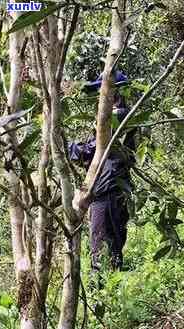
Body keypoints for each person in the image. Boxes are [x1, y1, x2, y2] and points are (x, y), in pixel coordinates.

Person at [69, 71, 136, 272]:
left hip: (109, 191)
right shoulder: (112, 119)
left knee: (102, 251)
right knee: (109, 249)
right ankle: (107, 291)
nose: (100, 96)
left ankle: (104, 295)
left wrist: (68, 146)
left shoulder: (119, 117)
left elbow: (90, 150)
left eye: (103, 91)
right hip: (107, 191)